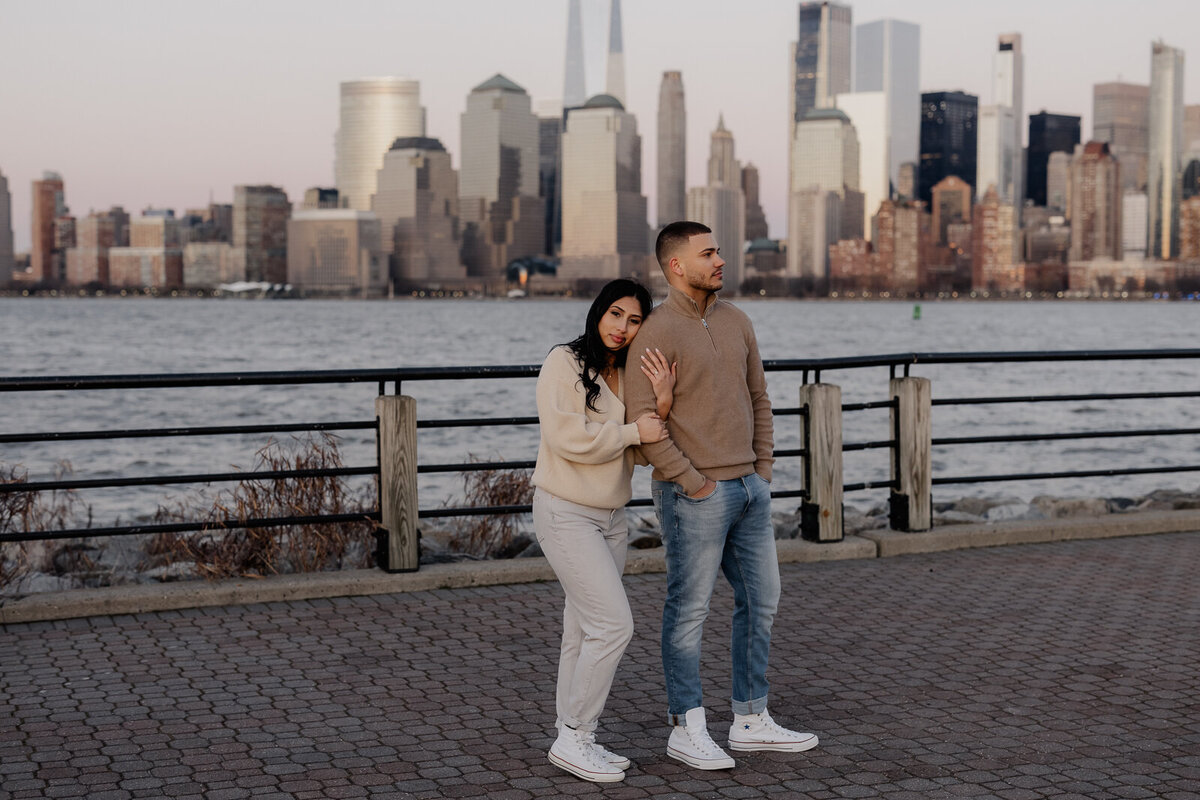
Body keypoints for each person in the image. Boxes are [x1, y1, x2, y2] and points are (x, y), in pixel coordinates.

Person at [624, 221, 819, 770]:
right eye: (708, 253)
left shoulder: (737, 320)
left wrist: (761, 471)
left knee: (762, 601)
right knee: (688, 611)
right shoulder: (655, 332)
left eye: (719, 251)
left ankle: (751, 719)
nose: (721, 260)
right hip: (695, 497)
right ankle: (686, 727)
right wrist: (695, 483)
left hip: (749, 491)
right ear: (676, 266)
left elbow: (759, 397)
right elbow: (643, 422)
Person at [531, 278, 676, 783]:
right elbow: (569, 437)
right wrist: (636, 429)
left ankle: (575, 736)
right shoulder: (563, 362)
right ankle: (574, 735)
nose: (622, 327)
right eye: (616, 314)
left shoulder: (626, 374)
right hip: (564, 512)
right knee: (615, 625)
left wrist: (660, 401)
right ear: (599, 312)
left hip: (611, 517)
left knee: (582, 630)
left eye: (634, 320)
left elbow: (638, 449)